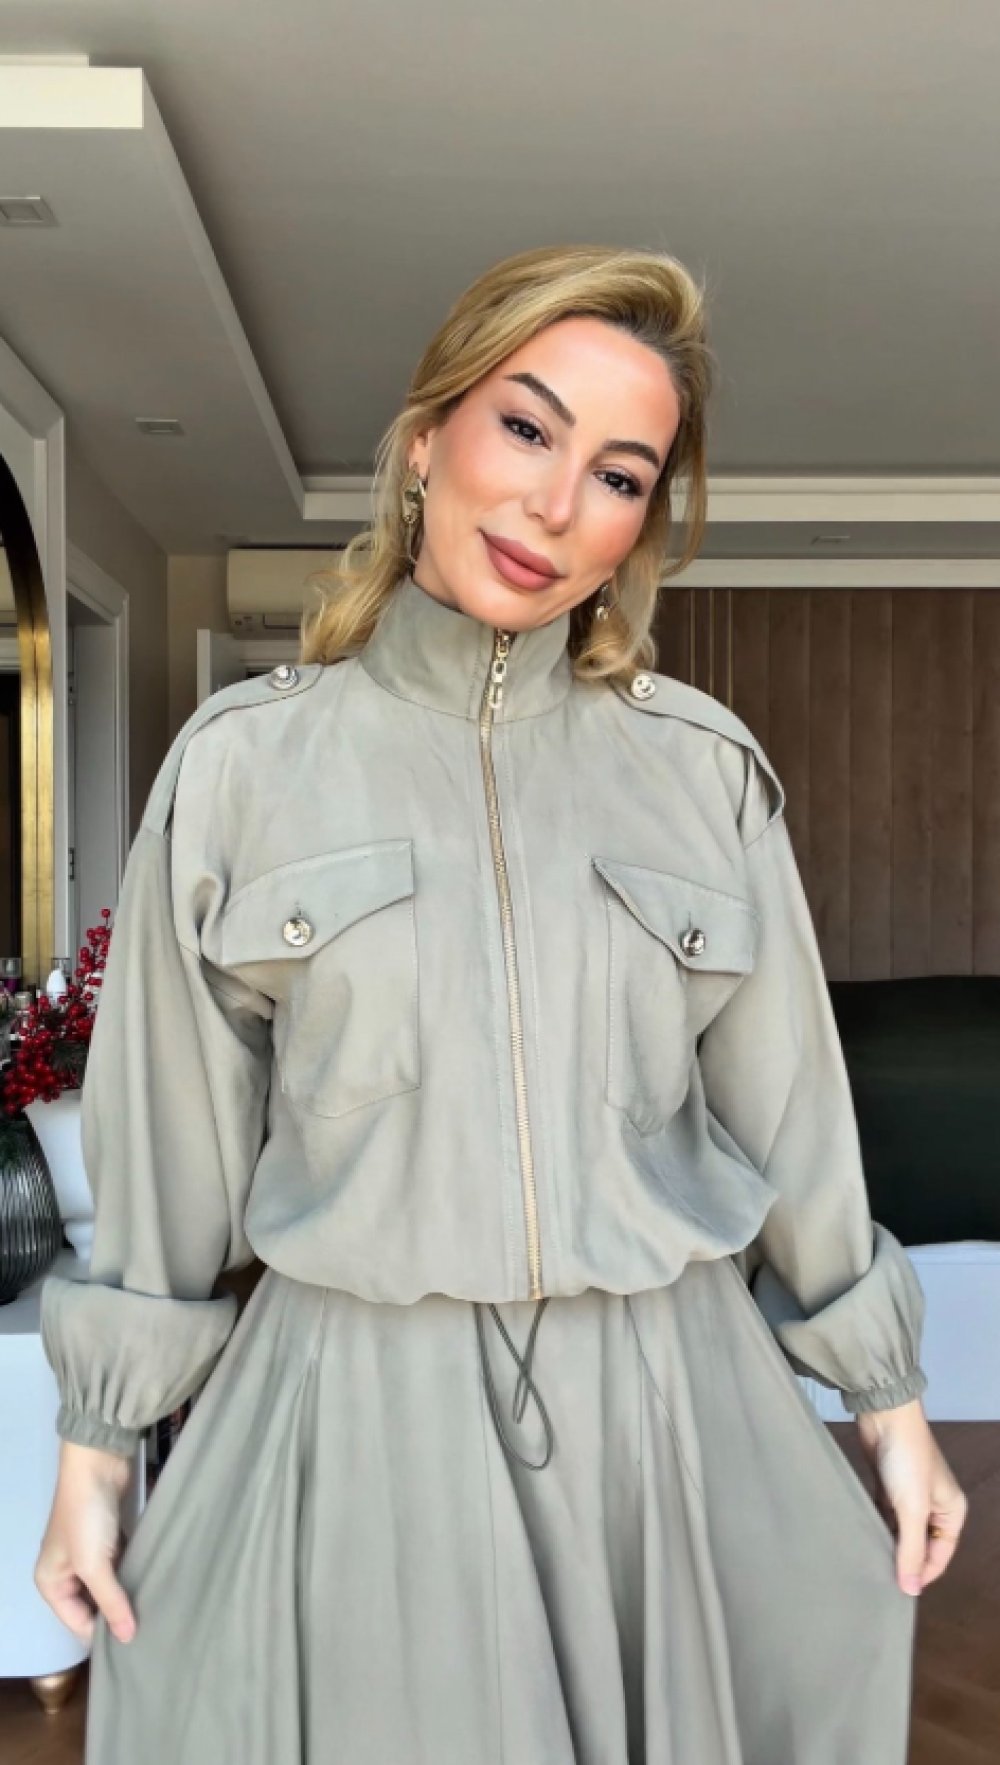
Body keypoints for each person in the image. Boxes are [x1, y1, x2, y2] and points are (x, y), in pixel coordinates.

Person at [34, 242, 966, 1764]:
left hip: (669, 1408)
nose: (554, 504)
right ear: (426, 441)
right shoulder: (244, 767)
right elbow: (174, 1145)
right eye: (526, 428)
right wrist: (95, 1450)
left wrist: (891, 1405)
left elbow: (792, 1118)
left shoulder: (700, 774)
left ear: (642, 523)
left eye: (618, 475)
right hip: (358, 1408)